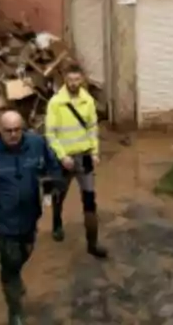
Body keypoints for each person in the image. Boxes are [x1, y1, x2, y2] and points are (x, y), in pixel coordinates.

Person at [0, 110, 61, 325]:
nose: (13, 135)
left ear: (23, 129)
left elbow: (51, 167)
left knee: (24, 254)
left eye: (17, 130)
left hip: (29, 216)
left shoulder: (37, 144)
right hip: (2, 220)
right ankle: (15, 311)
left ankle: (14, 278)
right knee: (10, 262)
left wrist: (49, 192)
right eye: (8, 131)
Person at [44, 64, 107, 257]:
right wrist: (62, 156)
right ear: (64, 80)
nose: (74, 83)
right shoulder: (56, 103)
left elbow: (92, 128)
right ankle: (57, 223)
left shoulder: (87, 101)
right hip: (65, 159)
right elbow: (50, 133)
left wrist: (95, 152)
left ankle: (93, 243)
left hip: (85, 156)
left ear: (82, 79)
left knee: (89, 199)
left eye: (77, 79)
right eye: (70, 80)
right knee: (59, 194)